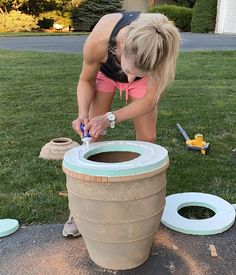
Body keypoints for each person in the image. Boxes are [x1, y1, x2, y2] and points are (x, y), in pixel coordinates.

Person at [62, 11, 180, 237]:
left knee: (148, 140)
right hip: (105, 73)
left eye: (135, 75)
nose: (128, 81)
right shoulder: (98, 42)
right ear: (120, 46)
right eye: (127, 72)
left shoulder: (159, 47)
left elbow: (148, 101)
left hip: (144, 73)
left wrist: (111, 117)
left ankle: (145, 201)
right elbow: (85, 79)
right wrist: (83, 113)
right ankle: (81, 210)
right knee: (93, 136)